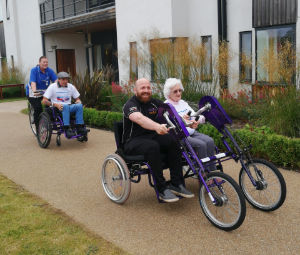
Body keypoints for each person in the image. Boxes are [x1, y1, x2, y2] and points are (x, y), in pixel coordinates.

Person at [122, 78, 194, 203]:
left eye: (148, 88)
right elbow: (139, 118)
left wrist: (187, 122)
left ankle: (176, 183)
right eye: (142, 88)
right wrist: (156, 126)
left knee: (173, 140)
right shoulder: (130, 105)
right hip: (133, 141)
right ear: (135, 90)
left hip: (151, 137)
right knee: (153, 146)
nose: (146, 90)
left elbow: (172, 115)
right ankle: (162, 189)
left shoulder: (155, 103)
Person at [163, 78, 216, 171]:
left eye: (180, 90)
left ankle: (212, 171)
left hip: (191, 132)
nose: (179, 93)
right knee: (202, 145)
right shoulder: (166, 106)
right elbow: (175, 123)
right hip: (180, 137)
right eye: (175, 91)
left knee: (210, 141)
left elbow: (194, 115)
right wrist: (186, 120)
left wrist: (202, 118)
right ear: (168, 93)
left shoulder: (182, 103)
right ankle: (204, 174)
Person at [42, 71, 87, 138]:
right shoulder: (52, 87)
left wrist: (78, 101)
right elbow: (44, 101)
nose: (65, 81)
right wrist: (55, 105)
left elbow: (77, 98)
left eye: (66, 79)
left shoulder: (71, 86)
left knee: (79, 106)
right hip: (57, 108)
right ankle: (67, 128)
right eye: (63, 79)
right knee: (65, 106)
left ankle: (79, 127)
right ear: (59, 79)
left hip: (68, 107)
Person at [28, 56, 57, 131]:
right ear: (39, 62)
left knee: (51, 105)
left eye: (46, 62)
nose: (45, 63)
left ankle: (49, 121)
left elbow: (56, 80)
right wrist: (35, 91)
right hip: (33, 93)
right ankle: (38, 127)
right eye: (43, 62)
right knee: (38, 108)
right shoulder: (34, 70)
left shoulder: (49, 70)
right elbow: (33, 82)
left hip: (44, 92)